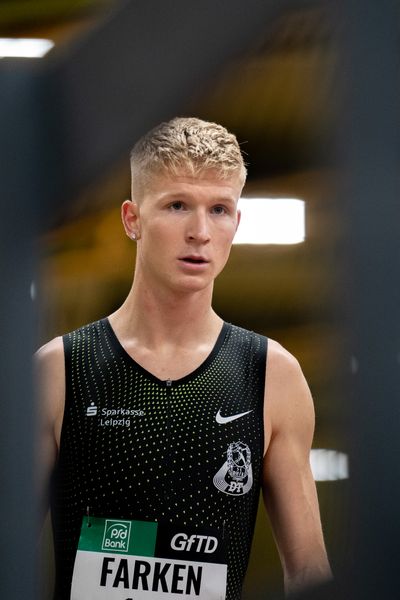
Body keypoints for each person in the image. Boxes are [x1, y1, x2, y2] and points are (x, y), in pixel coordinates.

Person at [36, 117, 332, 600]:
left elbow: (309, 573)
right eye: (177, 205)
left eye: (219, 209)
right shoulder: (59, 370)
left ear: (236, 223)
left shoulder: (271, 375)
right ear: (132, 219)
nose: (199, 231)